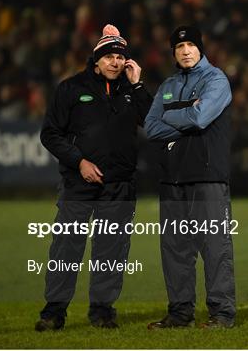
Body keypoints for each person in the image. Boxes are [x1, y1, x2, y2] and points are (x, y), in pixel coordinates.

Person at [36, 24, 152, 331]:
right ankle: (54, 311)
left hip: (120, 184)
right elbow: (50, 134)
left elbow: (153, 123)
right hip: (79, 182)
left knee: (112, 248)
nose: (115, 62)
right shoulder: (71, 88)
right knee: (67, 246)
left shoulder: (131, 90)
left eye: (120, 57)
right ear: (97, 59)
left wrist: (138, 85)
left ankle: (102, 310)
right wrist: (79, 161)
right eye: (109, 56)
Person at [144, 25, 235, 329]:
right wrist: (186, 115)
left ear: (201, 48)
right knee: (175, 249)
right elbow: (151, 128)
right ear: (173, 53)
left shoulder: (216, 79)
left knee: (214, 247)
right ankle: (180, 313)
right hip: (172, 177)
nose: (185, 51)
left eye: (191, 45)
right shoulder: (168, 84)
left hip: (207, 175)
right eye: (179, 47)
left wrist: (172, 115)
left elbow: (200, 118)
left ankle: (222, 314)